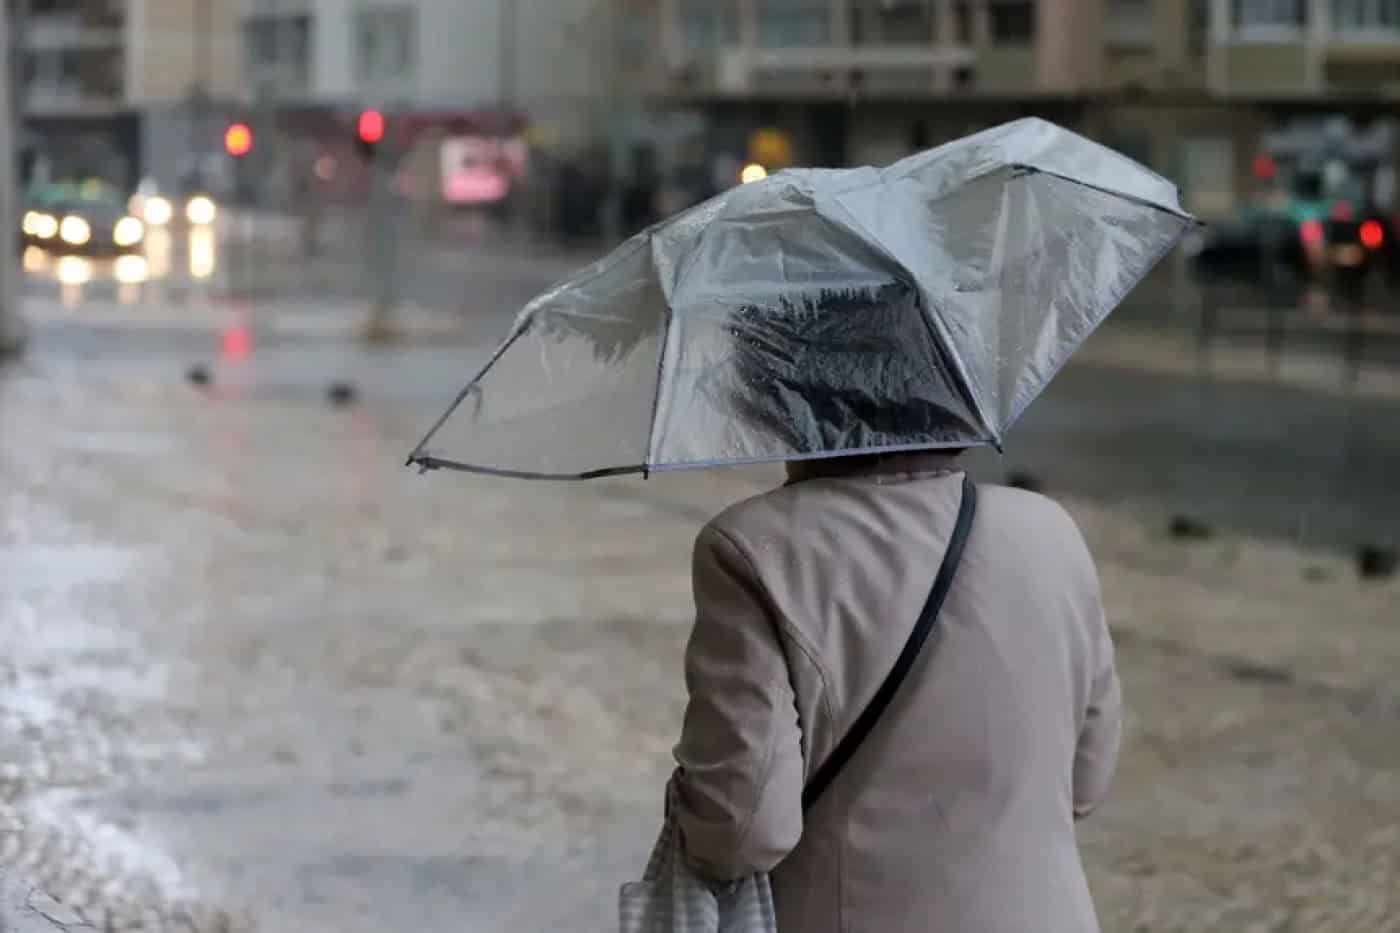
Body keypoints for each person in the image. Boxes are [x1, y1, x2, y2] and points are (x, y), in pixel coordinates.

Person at [667, 287, 1122, 933]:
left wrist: (686, 801)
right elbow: (1087, 779)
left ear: (779, 396)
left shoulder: (755, 547)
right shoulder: (1050, 530)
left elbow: (743, 830)